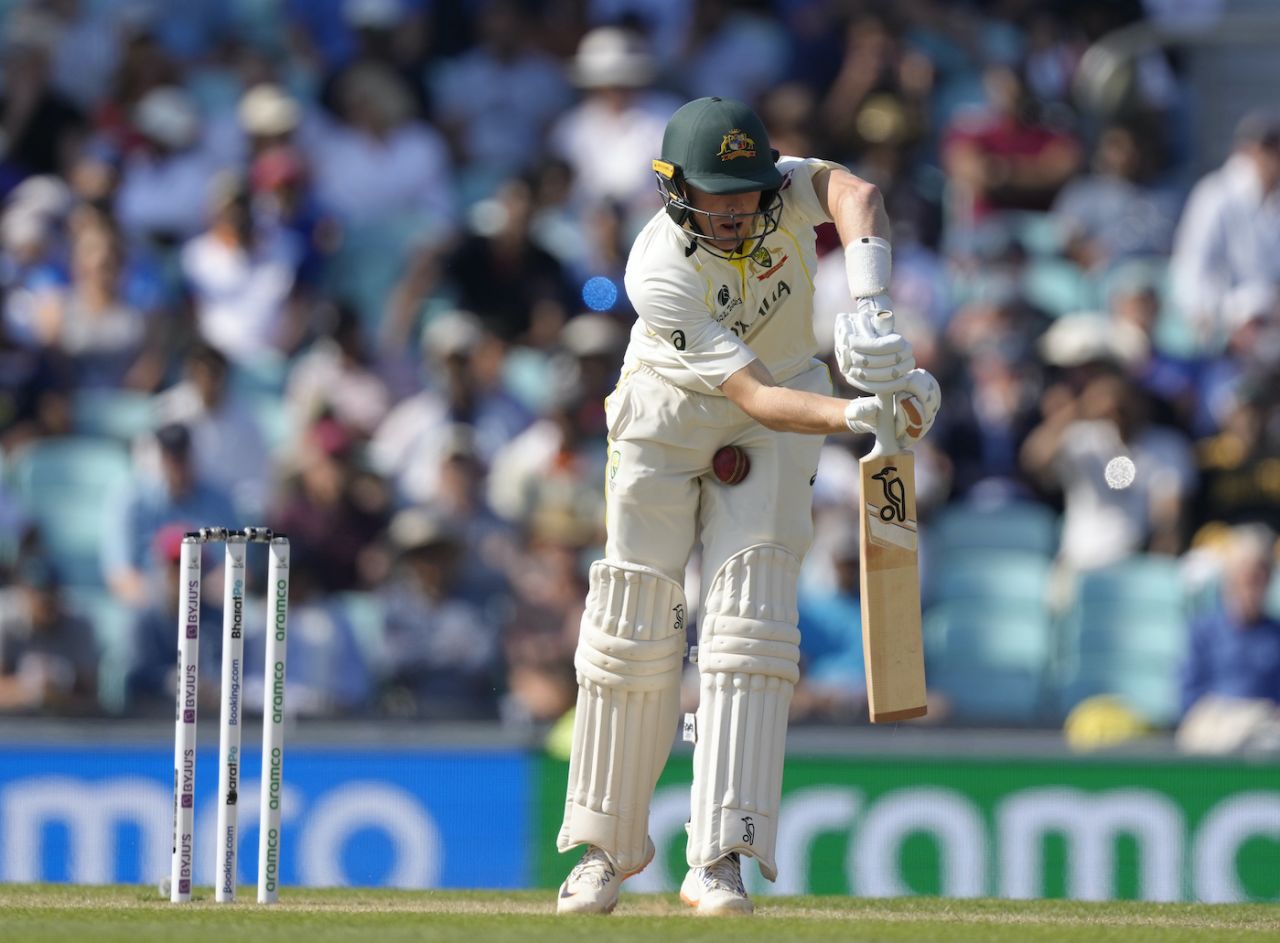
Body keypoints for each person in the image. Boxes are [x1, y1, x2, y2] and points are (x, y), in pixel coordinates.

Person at [554, 96, 941, 916]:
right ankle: (603, 852)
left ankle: (720, 859)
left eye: (745, 192)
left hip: (782, 404)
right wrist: (862, 413)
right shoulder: (656, 268)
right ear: (674, 187)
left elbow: (859, 196)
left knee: (749, 625)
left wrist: (871, 306)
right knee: (633, 620)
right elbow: (754, 395)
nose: (733, 211)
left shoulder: (784, 191)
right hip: (670, 415)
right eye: (715, 195)